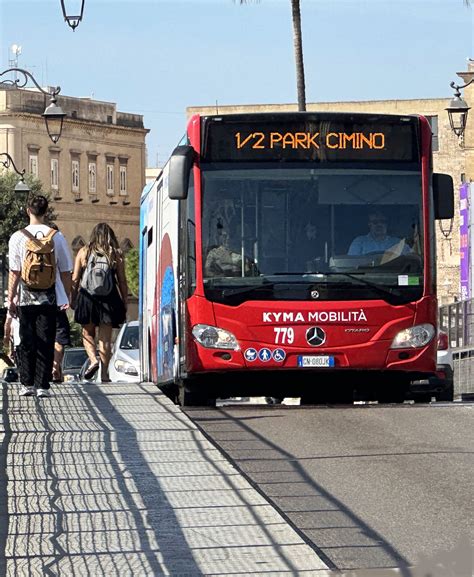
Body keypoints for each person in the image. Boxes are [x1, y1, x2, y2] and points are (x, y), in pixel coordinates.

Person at [7, 195, 73, 397]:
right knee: (46, 338)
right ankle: (43, 385)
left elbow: (15, 272)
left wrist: (11, 299)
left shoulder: (18, 237)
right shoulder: (56, 236)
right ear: (45, 212)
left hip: (26, 296)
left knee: (27, 339)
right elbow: (65, 270)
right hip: (49, 296)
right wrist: (67, 296)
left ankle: (27, 383)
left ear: (28, 211)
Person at [71, 223, 128, 383]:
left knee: (87, 333)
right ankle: (104, 374)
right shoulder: (115, 253)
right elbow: (122, 281)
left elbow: (75, 279)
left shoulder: (84, 252)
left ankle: (93, 360)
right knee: (105, 339)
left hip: (87, 298)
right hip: (109, 299)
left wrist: (73, 298)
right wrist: (124, 300)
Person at [48, 224, 73, 383]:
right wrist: (67, 295)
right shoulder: (59, 240)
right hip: (56, 297)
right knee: (59, 333)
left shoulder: (29, 240)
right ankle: (55, 366)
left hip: (34, 297)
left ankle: (49, 367)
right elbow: (66, 272)